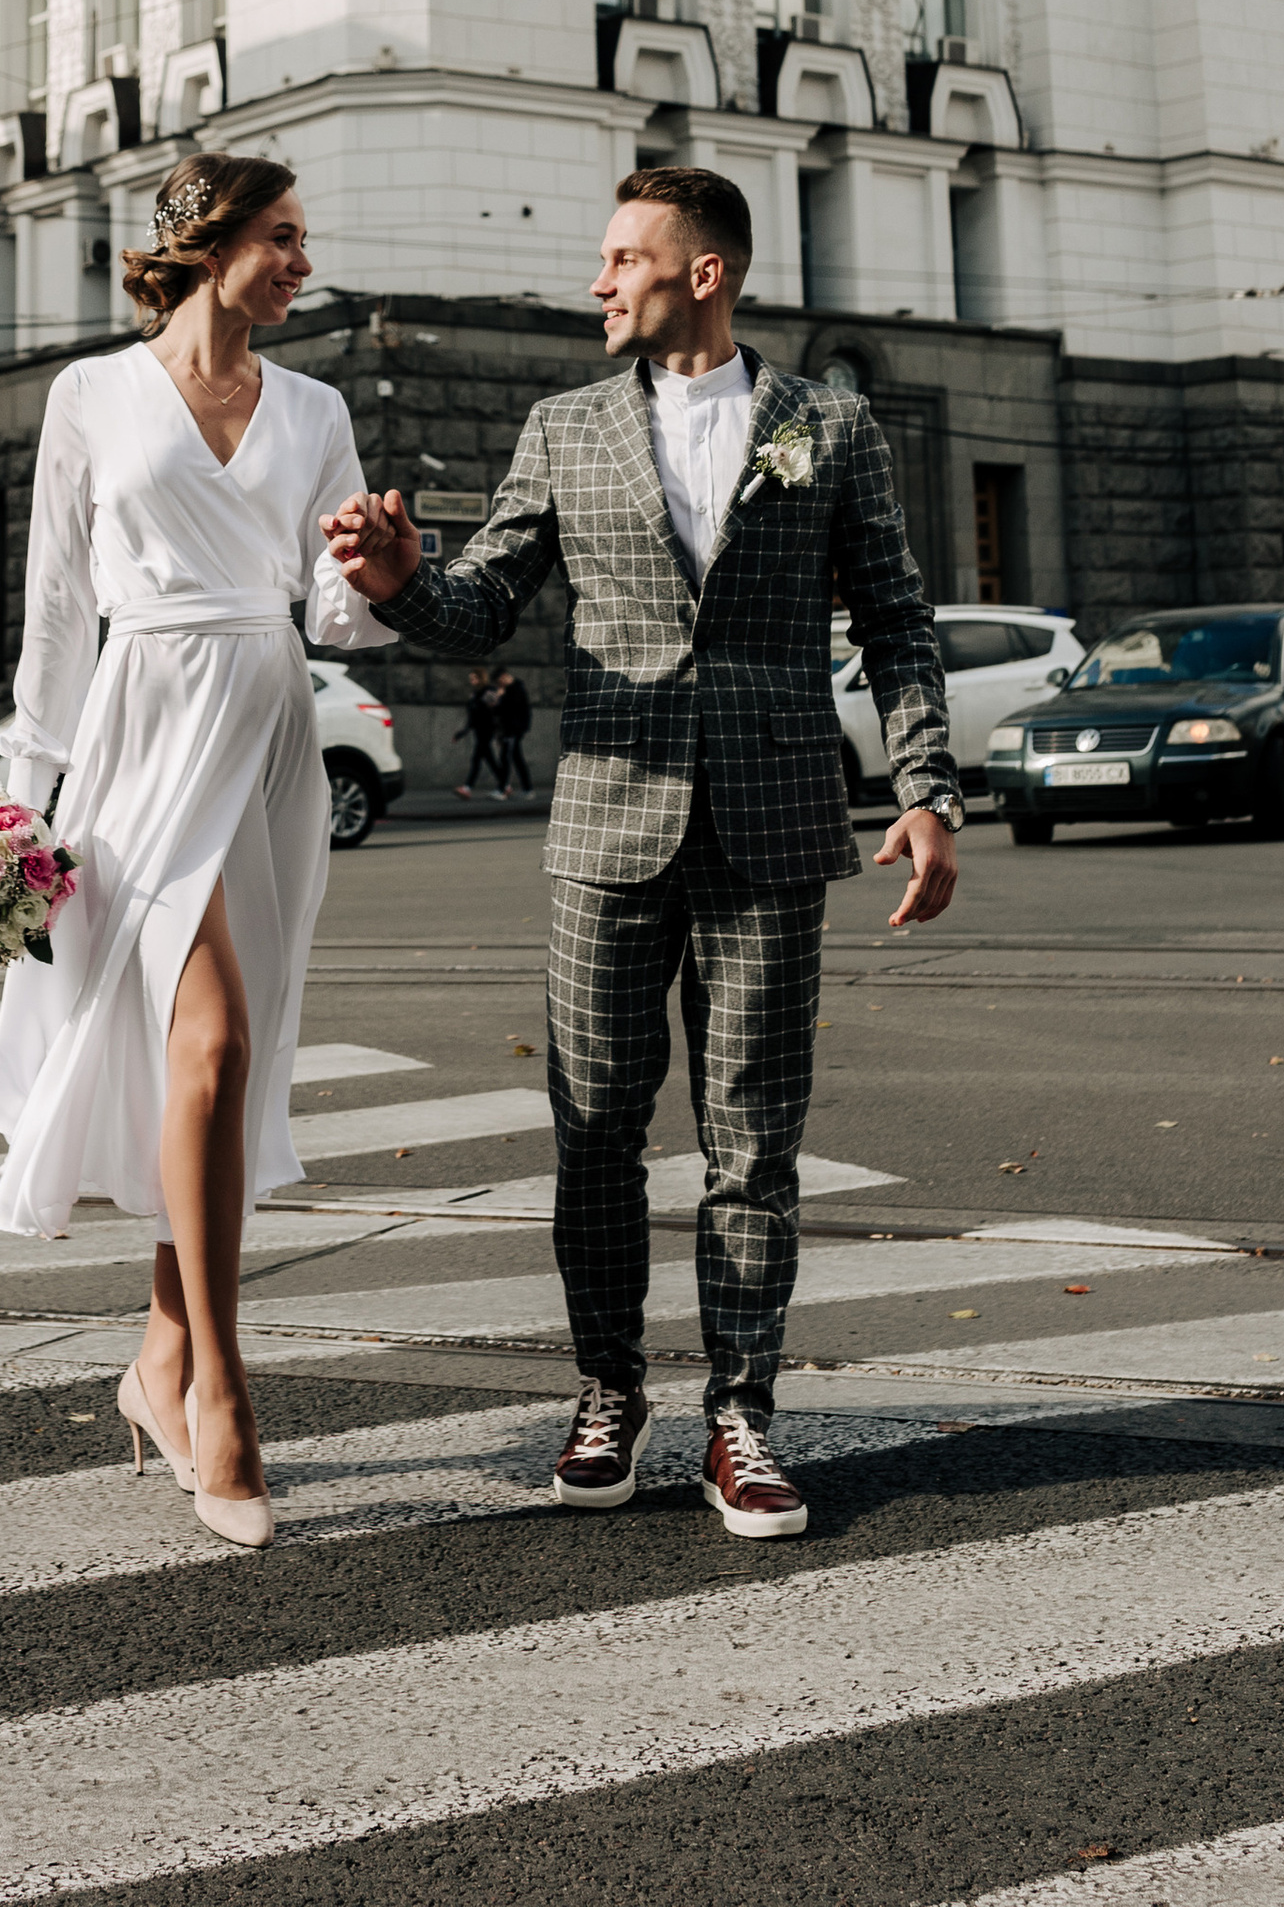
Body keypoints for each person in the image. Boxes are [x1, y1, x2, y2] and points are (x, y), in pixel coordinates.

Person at [327, 163, 959, 1542]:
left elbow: (898, 624)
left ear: (703, 272)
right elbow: (483, 602)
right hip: (610, 828)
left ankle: (743, 1416)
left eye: (623, 258)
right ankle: (609, 1388)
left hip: (777, 826)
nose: (599, 281)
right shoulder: (563, 430)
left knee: (754, 1145)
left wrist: (925, 790)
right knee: (597, 1131)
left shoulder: (827, 427)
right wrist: (394, 585)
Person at [0, 153, 473, 1550]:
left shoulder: (312, 409)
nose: (306, 263)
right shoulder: (90, 395)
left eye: (307, 239)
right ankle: (227, 1393)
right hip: (138, 734)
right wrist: (20, 805)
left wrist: (380, 573)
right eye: (285, 238)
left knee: (224, 1056)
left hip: (263, 733)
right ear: (206, 244)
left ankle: (157, 1355)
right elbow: (61, 612)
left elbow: (335, 611)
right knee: (214, 1042)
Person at [454, 669, 506, 798]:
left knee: (477, 760)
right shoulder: (475, 694)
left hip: (487, 730)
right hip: (479, 730)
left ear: (481, 678)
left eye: (474, 678)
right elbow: (472, 717)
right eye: (471, 679)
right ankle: (505, 785)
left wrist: (499, 733)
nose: (472, 681)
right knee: (490, 760)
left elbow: (496, 713)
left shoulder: (488, 692)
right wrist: (462, 733)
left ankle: (467, 787)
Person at [490, 664, 535, 800]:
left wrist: (500, 698)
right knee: (517, 759)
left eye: (499, 682)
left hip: (513, 730)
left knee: (506, 759)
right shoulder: (513, 689)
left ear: (503, 677)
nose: (498, 685)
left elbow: (511, 710)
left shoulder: (515, 689)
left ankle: (502, 790)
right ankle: (527, 789)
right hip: (510, 730)